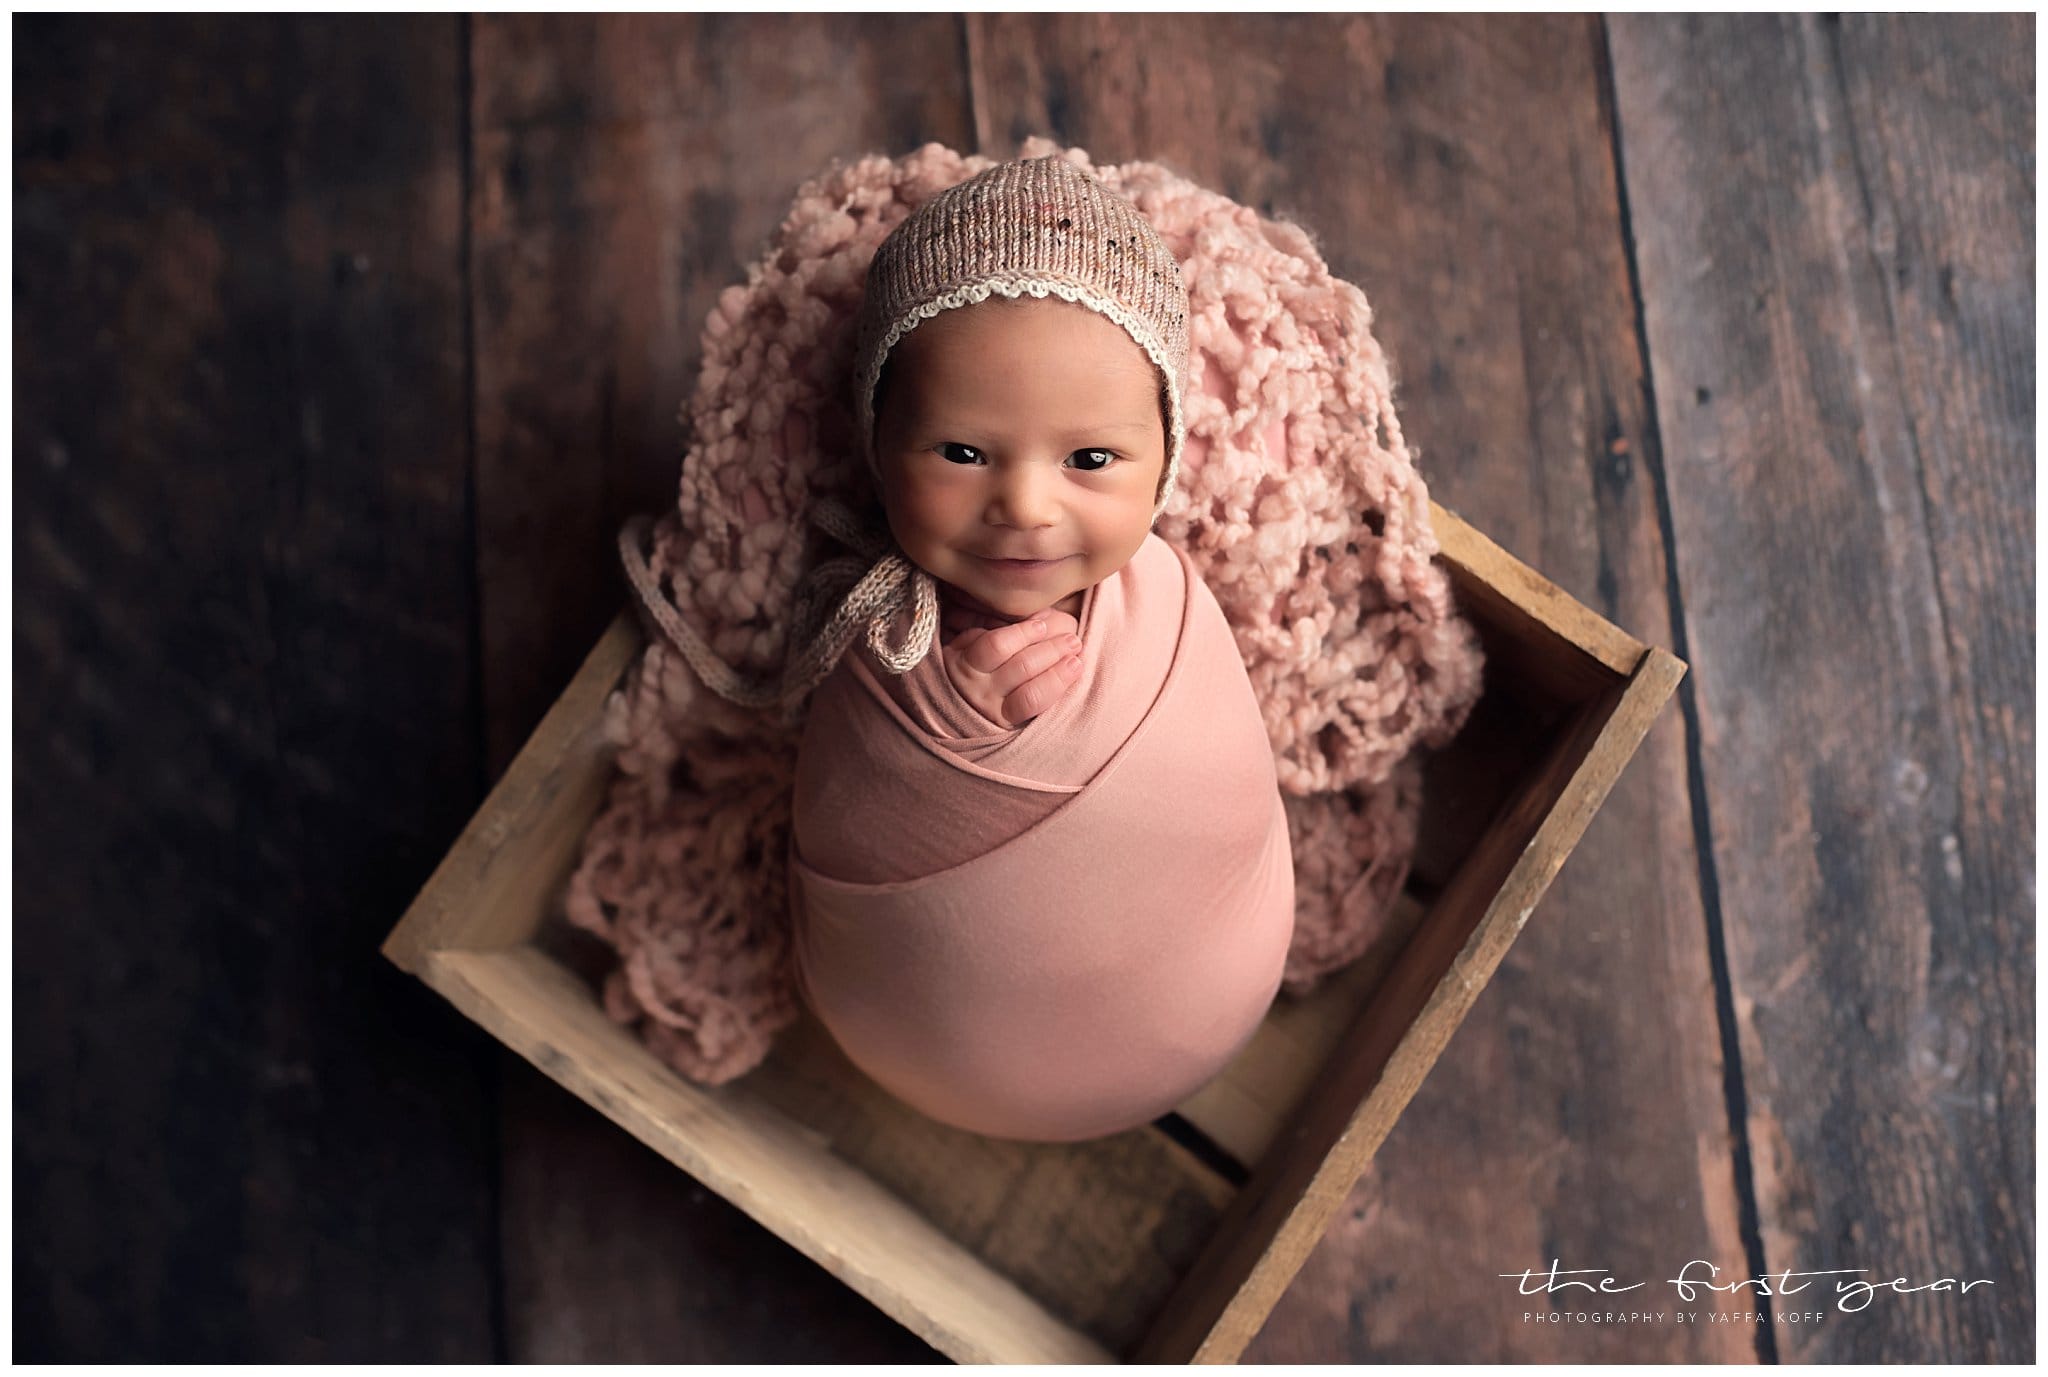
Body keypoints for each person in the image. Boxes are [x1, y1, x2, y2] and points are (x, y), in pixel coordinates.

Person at [785, 155, 1296, 1143]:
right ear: (875, 444)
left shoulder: (1171, 608)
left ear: (1165, 457)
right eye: (961, 453)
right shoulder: (880, 638)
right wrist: (945, 715)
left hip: (1208, 982)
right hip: (922, 1040)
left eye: (1090, 460)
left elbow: (1217, 779)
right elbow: (849, 794)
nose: (1023, 506)